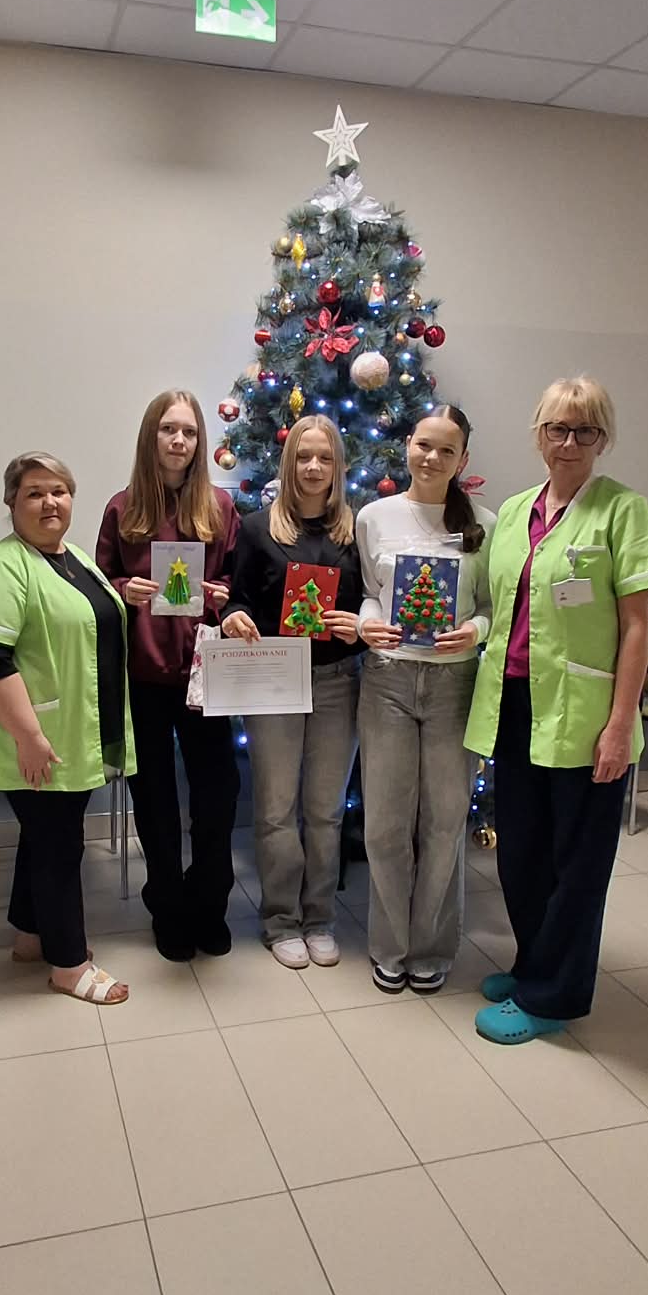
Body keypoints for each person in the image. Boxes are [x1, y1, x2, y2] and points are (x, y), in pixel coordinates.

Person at [465, 376, 648, 1045]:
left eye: (585, 429)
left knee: (576, 862)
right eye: (557, 427)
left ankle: (554, 996)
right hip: (515, 703)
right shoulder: (514, 511)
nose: (569, 441)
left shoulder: (623, 511)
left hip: (587, 714)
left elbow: (636, 628)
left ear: (602, 438)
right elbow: (498, 607)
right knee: (521, 852)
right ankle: (533, 966)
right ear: (539, 434)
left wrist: (620, 725)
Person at [0, 453, 135, 1004]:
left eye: (58, 491)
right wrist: (30, 737)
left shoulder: (73, 558)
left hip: (75, 733)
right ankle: (69, 964)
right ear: (11, 502)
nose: (49, 502)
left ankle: (31, 936)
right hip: (38, 740)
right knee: (59, 847)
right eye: (34, 493)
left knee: (44, 839)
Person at [96, 391, 239, 963]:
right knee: (155, 800)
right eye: (168, 430)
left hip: (207, 674)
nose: (179, 441)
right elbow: (97, 586)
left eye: (189, 431)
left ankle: (210, 904)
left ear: (200, 441)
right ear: (150, 437)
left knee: (217, 795)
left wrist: (224, 598)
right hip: (146, 676)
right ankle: (169, 909)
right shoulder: (122, 509)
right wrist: (122, 590)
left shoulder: (221, 508)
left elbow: (238, 583)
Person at [356, 406, 496, 992]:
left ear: (462, 459)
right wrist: (367, 624)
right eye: (423, 445)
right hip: (387, 680)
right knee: (385, 824)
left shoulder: (485, 524)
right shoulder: (374, 517)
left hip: (453, 686)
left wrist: (475, 632)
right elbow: (370, 593)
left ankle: (432, 948)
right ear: (407, 447)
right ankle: (390, 946)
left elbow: (492, 607)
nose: (432, 458)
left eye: (446, 450)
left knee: (443, 822)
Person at [222, 416, 362, 969]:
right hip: (274, 681)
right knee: (277, 809)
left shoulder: (356, 530)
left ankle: (319, 917)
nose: (313, 467)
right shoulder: (258, 529)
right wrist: (233, 618)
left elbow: (374, 605)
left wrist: (357, 625)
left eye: (324, 458)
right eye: (304, 456)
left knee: (325, 811)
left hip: (337, 682)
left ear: (337, 466)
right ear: (289, 462)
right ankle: (281, 919)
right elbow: (237, 598)